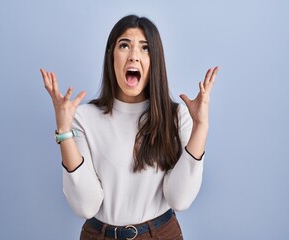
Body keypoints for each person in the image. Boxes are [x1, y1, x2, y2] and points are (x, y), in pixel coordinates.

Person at [41, 15, 218, 240]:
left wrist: (201, 127)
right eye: (124, 45)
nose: (134, 55)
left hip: (161, 234)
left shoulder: (176, 116)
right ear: (111, 56)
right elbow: (85, 206)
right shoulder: (84, 118)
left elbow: (180, 199)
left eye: (145, 48)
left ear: (155, 60)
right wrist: (64, 131)